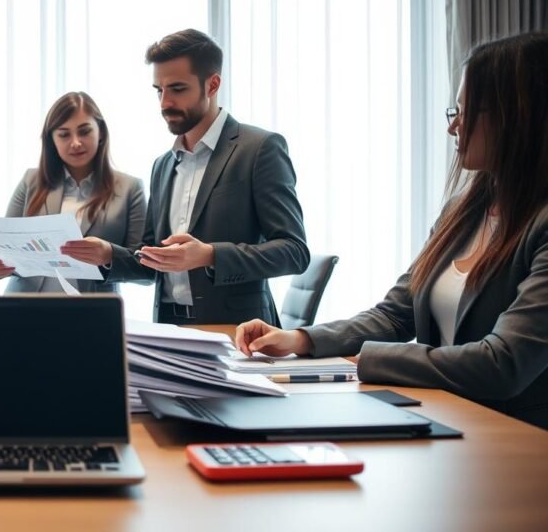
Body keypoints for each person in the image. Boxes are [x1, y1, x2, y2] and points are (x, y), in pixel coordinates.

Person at [235, 32, 548, 430]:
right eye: (454, 112)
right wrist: (301, 340)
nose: (454, 128)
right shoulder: (462, 213)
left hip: (518, 443)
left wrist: (369, 359)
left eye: (466, 112)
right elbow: (395, 315)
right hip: (448, 420)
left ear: (517, 116)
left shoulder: (541, 225)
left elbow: (503, 364)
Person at [78, 28, 309, 325]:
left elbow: (294, 252)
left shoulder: (259, 149)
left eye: (177, 89)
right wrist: (108, 254)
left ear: (212, 85)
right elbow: (153, 262)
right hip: (169, 330)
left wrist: (210, 255)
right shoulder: (162, 165)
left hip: (238, 332)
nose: (164, 103)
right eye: (158, 91)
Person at [0, 91, 147, 293]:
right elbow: (4, 246)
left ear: (101, 132)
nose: (75, 142)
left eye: (84, 131)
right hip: (24, 307)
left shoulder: (130, 188)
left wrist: (109, 255)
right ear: (52, 139)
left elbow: (146, 269)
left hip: (91, 312)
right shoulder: (30, 181)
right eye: (64, 134)